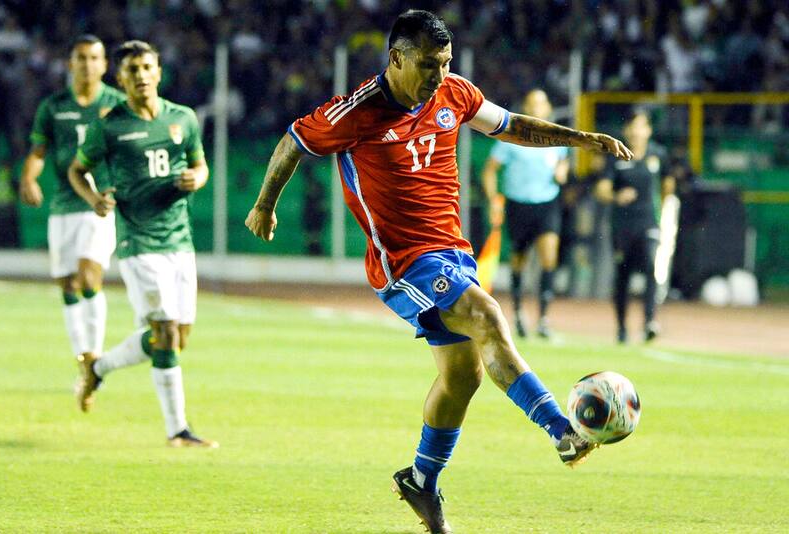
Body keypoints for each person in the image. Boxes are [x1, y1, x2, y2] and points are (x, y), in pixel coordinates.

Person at [245, 11, 632, 533]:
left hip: (452, 251)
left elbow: (512, 125)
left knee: (463, 376)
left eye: (446, 63)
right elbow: (294, 141)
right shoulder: (356, 111)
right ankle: (562, 431)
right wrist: (265, 205)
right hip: (402, 260)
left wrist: (581, 138)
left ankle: (421, 481)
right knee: (488, 316)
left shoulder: (455, 94)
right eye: (429, 64)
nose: (439, 75)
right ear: (397, 58)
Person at [68, 40, 217, 448]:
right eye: (132, 70)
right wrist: (95, 198)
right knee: (165, 333)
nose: (141, 75)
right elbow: (77, 171)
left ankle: (98, 369)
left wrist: (197, 179)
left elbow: (200, 163)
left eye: (147, 67)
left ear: (159, 72)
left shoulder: (182, 118)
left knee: (174, 338)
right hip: (139, 242)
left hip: (180, 241)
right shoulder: (109, 125)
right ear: (121, 78)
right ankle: (178, 430)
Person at [18, 35, 125, 368]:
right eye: (81, 58)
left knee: (89, 276)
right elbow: (38, 151)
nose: (88, 64)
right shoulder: (53, 107)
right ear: (70, 64)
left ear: (105, 65)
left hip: (98, 203)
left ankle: (94, 356)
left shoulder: (118, 104)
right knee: (67, 284)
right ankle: (81, 355)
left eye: (95, 58)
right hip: (64, 204)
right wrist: (29, 177)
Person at [481, 89, 569, 339]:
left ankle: (543, 319)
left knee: (548, 257)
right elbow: (489, 171)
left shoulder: (556, 138)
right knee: (519, 260)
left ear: (548, 108)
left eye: (541, 103)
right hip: (518, 205)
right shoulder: (511, 138)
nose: (536, 108)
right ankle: (518, 313)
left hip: (547, 204)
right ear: (525, 108)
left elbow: (563, 163)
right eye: (532, 104)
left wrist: (563, 170)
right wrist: (493, 200)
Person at [594, 110, 675, 344]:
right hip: (622, 224)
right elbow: (601, 189)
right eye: (633, 127)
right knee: (623, 275)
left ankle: (650, 321)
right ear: (627, 131)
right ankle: (621, 327)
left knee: (651, 267)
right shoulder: (615, 156)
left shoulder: (658, 154)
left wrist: (661, 205)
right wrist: (616, 195)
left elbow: (668, 184)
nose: (637, 132)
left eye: (642, 127)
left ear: (648, 130)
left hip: (649, 222)